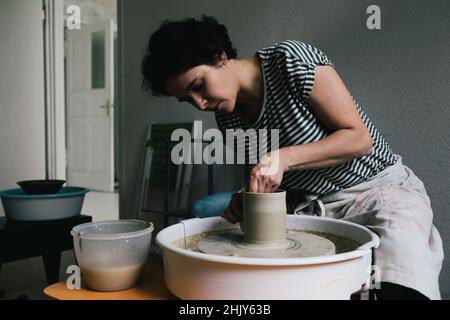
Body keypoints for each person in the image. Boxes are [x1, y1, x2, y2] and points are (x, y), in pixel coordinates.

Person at [141, 15, 443, 300]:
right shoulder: (228, 118)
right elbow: (274, 182)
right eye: (187, 99)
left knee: (398, 266)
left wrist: (284, 157)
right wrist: (249, 199)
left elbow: (358, 139)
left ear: (220, 56)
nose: (200, 103)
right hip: (307, 205)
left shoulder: (290, 60)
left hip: (377, 192)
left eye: (198, 86)